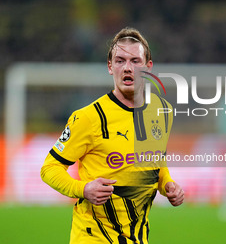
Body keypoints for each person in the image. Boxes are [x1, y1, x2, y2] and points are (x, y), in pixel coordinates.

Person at [41, 27, 184, 244]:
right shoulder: (89, 118)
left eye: (135, 61)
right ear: (110, 66)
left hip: (137, 237)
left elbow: (154, 160)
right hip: (93, 237)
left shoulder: (162, 112)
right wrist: (83, 189)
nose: (127, 68)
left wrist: (167, 184)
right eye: (120, 61)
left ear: (148, 67)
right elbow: (49, 168)